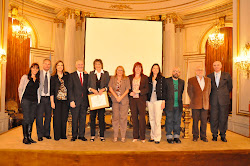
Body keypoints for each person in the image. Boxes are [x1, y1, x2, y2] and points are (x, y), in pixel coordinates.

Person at [207, 61, 233, 142]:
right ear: (213, 66)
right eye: (214, 65)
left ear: (221, 66)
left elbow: (230, 87)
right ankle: (214, 135)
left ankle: (223, 135)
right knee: (213, 118)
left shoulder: (227, 75)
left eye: (218, 65)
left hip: (224, 100)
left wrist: (223, 94)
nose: (216, 66)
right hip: (213, 100)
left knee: (223, 118)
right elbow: (208, 89)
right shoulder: (209, 76)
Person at [88, 59, 110, 142]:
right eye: (96, 64)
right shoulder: (91, 74)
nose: (98, 66)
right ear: (94, 65)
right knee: (92, 117)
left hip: (102, 98)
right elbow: (88, 86)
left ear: (102, 65)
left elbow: (108, 85)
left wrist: (104, 89)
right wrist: (92, 90)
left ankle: (102, 135)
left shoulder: (106, 73)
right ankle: (92, 135)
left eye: (99, 64)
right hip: (93, 98)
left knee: (101, 117)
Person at [187, 66, 211, 142]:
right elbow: (189, 91)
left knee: (204, 121)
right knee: (195, 121)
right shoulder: (191, 80)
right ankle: (195, 136)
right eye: (198, 70)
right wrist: (194, 98)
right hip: (195, 103)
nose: (200, 71)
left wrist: (205, 98)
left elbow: (208, 91)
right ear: (195, 71)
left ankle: (203, 136)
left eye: (201, 70)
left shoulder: (208, 80)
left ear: (203, 71)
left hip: (205, 104)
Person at [18, 63, 40, 144]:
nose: (35, 70)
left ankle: (29, 137)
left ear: (38, 70)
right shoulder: (25, 77)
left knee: (31, 119)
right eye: (33, 68)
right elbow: (20, 88)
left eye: (37, 68)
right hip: (26, 100)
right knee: (26, 118)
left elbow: (38, 91)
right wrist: (21, 100)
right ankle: (25, 137)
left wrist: (38, 100)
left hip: (34, 101)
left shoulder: (38, 79)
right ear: (30, 68)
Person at [109, 66, 131, 142]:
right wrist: (116, 97)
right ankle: (115, 136)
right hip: (115, 100)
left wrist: (121, 97)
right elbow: (110, 88)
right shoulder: (112, 78)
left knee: (123, 118)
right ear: (116, 71)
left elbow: (127, 89)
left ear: (123, 71)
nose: (120, 71)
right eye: (118, 70)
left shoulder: (126, 79)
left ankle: (123, 136)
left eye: (121, 70)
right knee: (115, 118)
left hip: (124, 100)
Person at [68, 60, 89, 141]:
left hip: (84, 101)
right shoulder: (72, 75)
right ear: (76, 66)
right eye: (78, 64)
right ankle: (74, 135)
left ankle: (81, 135)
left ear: (83, 65)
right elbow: (70, 89)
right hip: (75, 101)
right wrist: (71, 100)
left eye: (81, 64)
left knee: (83, 118)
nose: (80, 66)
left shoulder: (86, 75)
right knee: (75, 119)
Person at [129, 62, 149, 143]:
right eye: (136, 67)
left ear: (141, 69)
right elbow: (127, 87)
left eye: (139, 67)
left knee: (142, 118)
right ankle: (135, 136)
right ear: (134, 68)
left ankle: (142, 137)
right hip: (133, 100)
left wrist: (139, 91)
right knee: (134, 118)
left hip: (141, 100)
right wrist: (130, 92)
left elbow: (147, 89)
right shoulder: (130, 77)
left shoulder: (145, 78)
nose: (138, 69)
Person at [50, 61, 70, 141]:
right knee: (57, 118)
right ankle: (57, 135)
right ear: (56, 66)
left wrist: (84, 73)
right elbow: (51, 90)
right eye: (58, 65)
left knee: (64, 118)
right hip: (56, 100)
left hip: (65, 100)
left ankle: (63, 134)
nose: (60, 67)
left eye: (62, 65)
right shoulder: (53, 77)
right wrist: (52, 102)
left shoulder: (67, 75)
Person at [164, 67, 185, 144]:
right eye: (174, 71)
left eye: (178, 71)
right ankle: (169, 136)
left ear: (179, 73)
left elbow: (181, 92)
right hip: (169, 104)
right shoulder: (167, 81)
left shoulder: (182, 82)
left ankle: (176, 136)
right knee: (169, 121)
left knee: (177, 121)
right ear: (172, 72)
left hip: (178, 105)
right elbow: (165, 92)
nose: (176, 73)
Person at [147, 64, 166, 144]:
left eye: (157, 68)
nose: (155, 69)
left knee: (157, 120)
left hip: (159, 100)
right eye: (154, 68)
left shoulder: (162, 79)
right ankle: (152, 135)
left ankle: (157, 137)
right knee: (151, 119)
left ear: (159, 70)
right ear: (152, 69)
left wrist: (163, 101)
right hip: (150, 101)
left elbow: (165, 90)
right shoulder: (149, 79)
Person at [36, 59, 52, 141]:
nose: (47, 65)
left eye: (49, 64)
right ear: (42, 64)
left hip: (49, 98)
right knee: (39, 117)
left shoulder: (52, 74)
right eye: (45, 64)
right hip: (41, 98)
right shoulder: (38, 73)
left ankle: (47, 133)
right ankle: (40, 134)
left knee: (48, 117)